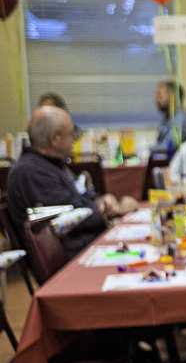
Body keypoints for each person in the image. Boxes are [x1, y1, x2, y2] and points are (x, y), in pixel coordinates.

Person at [6, 106, 137, 257]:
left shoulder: (52, 164)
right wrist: (113, 211)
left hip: (82, 245)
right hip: (68, 257)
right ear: (55, 139)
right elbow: (68, 220)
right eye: (71, 133)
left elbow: (81, 199)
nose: (75, 138)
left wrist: (103, 201)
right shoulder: (31, 172)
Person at [152, 80, 186, 156]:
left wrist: (145, 150)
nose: (156, 100)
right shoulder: (167, 118)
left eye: (160, 96)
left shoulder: (181, 120)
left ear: (173, 97)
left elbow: (168, 146)